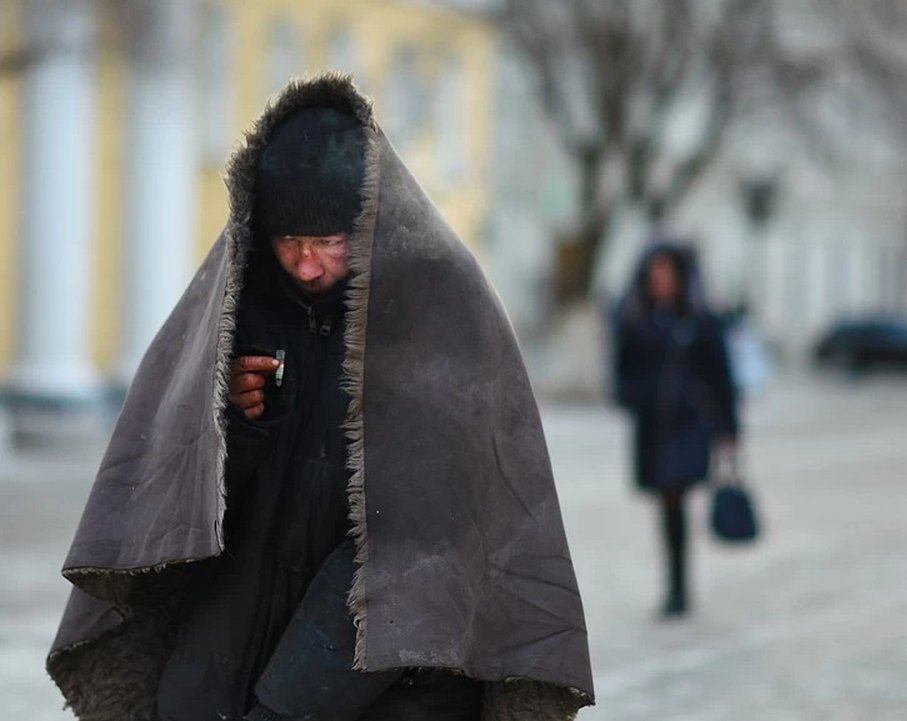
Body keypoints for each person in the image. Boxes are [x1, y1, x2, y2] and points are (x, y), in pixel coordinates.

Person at [46, 74, 593, 721]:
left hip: (393, 653)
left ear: (366, 225)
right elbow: (185, 497)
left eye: (327, 244)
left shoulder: (441, 308)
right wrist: (237, 425)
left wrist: (292, 700)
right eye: (290, 244)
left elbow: (423, 538)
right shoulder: (236, 305)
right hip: (243, 618)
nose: (305, 267)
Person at [613, 242, 741, 619]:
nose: (661, 279)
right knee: (667, 502)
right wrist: (632, 397)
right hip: (653, 427)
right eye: (655, 272)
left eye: (668, 271)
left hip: (689, 425)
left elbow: (722, 376)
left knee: (675, 495)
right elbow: (622, 369)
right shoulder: (637, 319)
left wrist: (728, 427)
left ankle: (678, 588)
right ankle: (676, 584)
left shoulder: (701, 320)